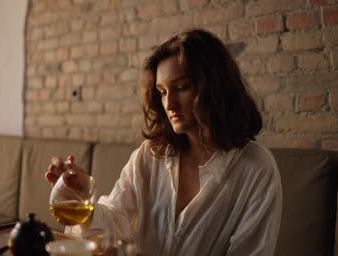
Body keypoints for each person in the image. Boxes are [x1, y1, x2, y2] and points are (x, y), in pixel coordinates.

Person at [45, 28, 282, 256]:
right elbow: (116, 221)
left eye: (181, 88)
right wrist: (82, 198)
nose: (169, 104)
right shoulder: (151, 154)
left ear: (214, 88)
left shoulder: (256, 168)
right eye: (163, 92)